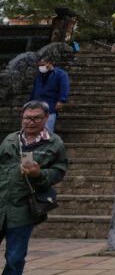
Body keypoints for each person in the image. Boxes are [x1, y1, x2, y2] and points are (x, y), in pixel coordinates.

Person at [0, 100, 68, 275]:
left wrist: (39, 174)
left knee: (14, 258)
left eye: (36, 118)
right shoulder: (11, 139)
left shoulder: (54, 143)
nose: (30, 122)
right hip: (1, 202)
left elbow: (59, 171)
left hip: (23, 208)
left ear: (46, 118)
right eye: (27, 118)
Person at [29, 58, 70, 133]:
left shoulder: (60, 74)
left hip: (50, 106)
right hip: (37, 105)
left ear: (49, 63)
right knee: (35, 130)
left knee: (47, 130)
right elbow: (34, 90)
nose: (40, 67)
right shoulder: (39, 76)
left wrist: (61, 100)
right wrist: (30, 103)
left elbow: (64, 87)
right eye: (39, 65)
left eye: (42, 65)